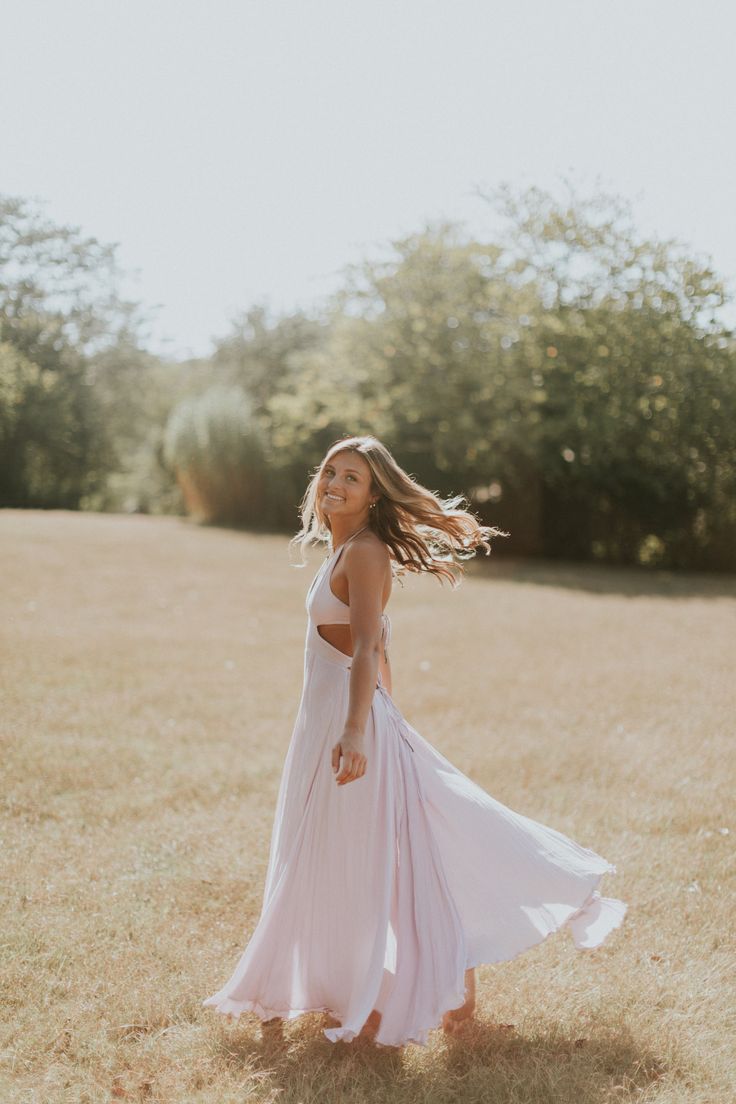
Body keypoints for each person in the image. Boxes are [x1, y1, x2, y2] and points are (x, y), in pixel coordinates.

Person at [202, 434, 627, 1048]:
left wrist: (361, 730)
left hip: (347, 728)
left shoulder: (367, 551)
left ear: (375, 493)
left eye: (353, 477)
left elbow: (370, 646)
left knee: (390, 857)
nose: (335, 484)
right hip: (331, 722)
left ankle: (408, 996)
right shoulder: (342, 550)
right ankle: (388, 990)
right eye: (330, 472)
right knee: (360, 853)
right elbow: (371, 647)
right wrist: (379, 719)